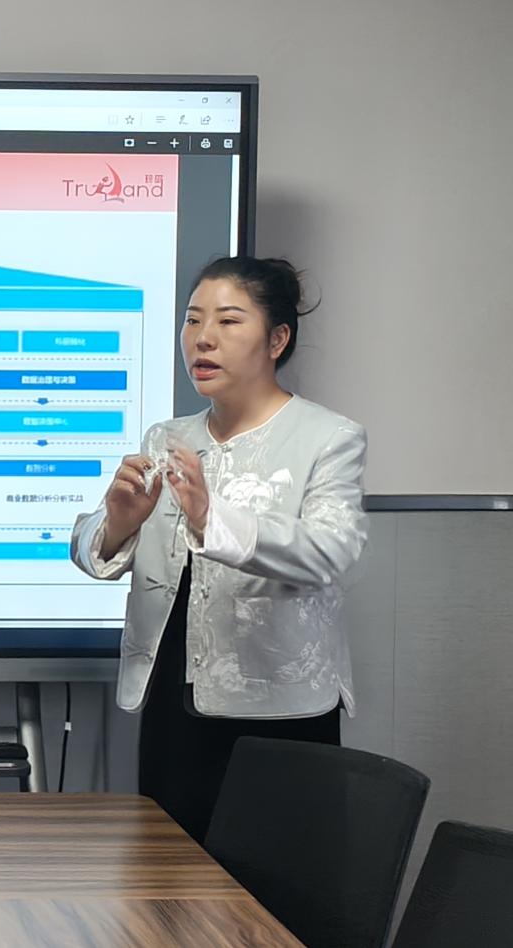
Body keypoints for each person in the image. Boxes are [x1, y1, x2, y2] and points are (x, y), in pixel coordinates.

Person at [70, 256, 369, 842]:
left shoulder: (328, 437)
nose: (203, 338)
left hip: (279, 714)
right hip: (171, 701)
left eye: (228, 321)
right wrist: (118, 522)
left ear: (277, 339)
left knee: (274, 884)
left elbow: (332, 550)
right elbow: (94, 552)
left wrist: (212, 518)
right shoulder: (167, 436)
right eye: (192, 320)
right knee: (166, 879)